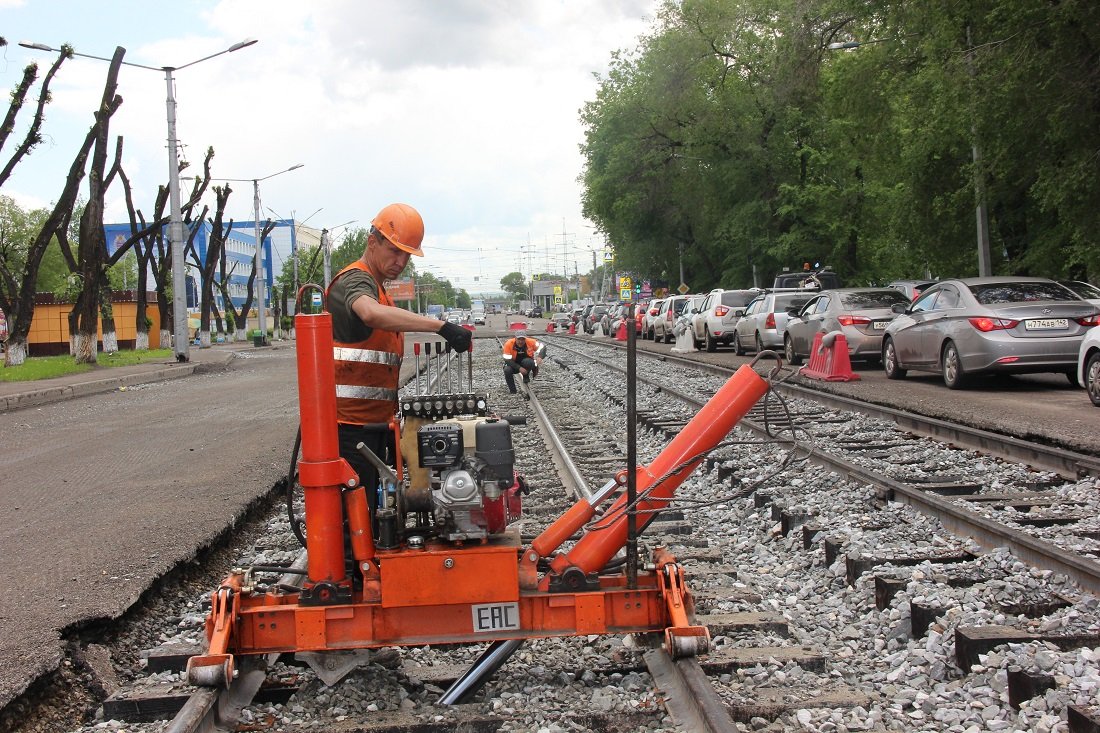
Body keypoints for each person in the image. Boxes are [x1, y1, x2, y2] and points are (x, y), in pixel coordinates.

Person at [326, 202, 472, 516]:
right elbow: (369, 313)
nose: (401, 261)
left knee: (376, 514)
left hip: (372, 426)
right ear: (372, 242)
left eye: (407, 254)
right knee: (357, 520)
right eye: (395, 251)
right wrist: (441, 327)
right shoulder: (354, 282)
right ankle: (352, 567)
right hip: (347, 429)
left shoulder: (381, 290)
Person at [501, 329, 546, 393]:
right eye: (519, 339)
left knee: (529, 362)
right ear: (515, 338)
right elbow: (507, 360)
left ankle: (526, 376)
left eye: (523, 339)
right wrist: (519, 368)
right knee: (507, 370)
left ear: (525, 339)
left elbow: (543, 347)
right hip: (513, 363)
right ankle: (513, 391)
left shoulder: (531, 342)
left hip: (525, 362)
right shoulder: (508, 344)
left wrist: (540, 356)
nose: (521, 341)